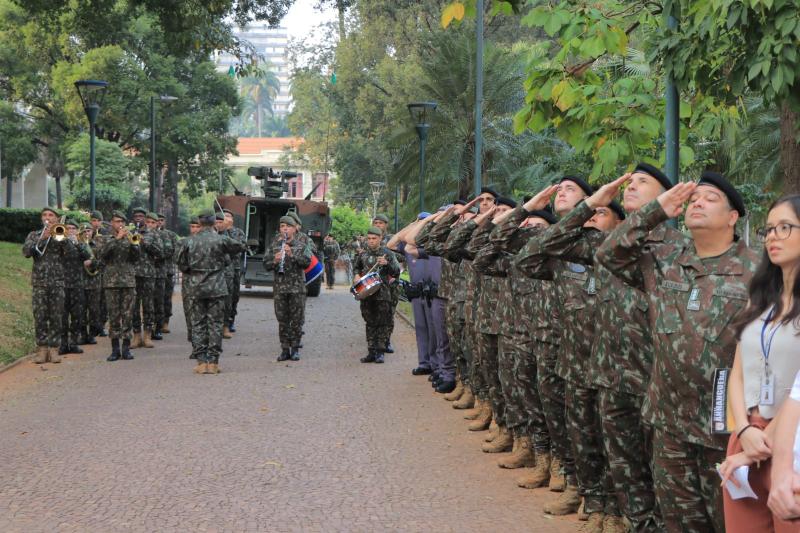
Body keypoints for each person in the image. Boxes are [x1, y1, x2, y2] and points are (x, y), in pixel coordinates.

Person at [596, 171, 759, 533]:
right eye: (694, 197)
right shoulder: (664, 259)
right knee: (679, 524)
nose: (697, 202)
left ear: (733, 217)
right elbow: (608, 253)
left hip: (728, 432)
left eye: (711, 198)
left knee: (731, 523)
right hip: (669, 425)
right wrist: (654, 211)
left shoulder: (758, 270)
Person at [718, 194, 800, 532]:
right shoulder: (760, 298)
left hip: (789, 443)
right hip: (746, 436)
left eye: (786, 227)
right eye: (769, 229)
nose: (773, 237)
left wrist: (763, 443)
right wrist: (744, 430)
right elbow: (738, 373)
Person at [176, 211, 245, 374]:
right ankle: (213, 362)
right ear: (215, 222)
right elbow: (240, 248)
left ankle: (201, 362)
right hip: (217, 288)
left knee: (198, 324)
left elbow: (180, 262)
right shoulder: (221, 240)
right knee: (215, 324)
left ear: (200, 222)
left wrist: (192, 271)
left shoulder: (188, 241)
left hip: (196, 287)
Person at [23, 208, 70, 364]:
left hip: (57, 282)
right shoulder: (33, 235)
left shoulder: (60, 234)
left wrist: (62, 237)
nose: (47, 218)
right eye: (44, 215)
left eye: (51, 215)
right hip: (39, 283)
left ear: (56, 219)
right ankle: (42, 349)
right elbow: (27, 252)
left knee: (57, 316)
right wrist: (43, 238)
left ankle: (54, 349)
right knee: (40, 316)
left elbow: (71, 254)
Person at [264, 215, 313, 361]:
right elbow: (266, 265)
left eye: (288, 226)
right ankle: (285, 348)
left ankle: (295, 348)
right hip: (280, 289)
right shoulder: (274, 246)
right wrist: (275, 260)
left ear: (294, 229)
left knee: (296, 320)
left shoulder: (302, 245)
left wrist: (292, 255)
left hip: (297, 289)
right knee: (282, 319)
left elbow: (306, 263)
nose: (285, 229)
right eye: (282, 226)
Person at [93, 211, 140, 361]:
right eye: (116, 221)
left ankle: (126, 348)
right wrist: (116, 240)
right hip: (111, 283)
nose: (119, 224)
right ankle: (114, 349)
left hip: (128, 282)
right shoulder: (104, 239)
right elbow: (101, 255)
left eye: (122, 222)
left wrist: (134, 244)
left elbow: (136, 258)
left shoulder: (130, 238)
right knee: (113, 316)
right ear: (111, 223)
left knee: (127, 315)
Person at [353, 226, 401, 364]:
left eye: (374, 238)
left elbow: (396, 271)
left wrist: (386, 264)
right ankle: (371, 351)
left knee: (382, 322)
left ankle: (380, 351)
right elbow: (356, 267)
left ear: (380, 238)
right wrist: (356, 275)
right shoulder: (363, 254)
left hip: (382, 294)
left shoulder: (387, 254)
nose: (371, 241)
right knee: (369, 322)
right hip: (366, 294)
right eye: (369, 238)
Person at [131, 207, 163, 349]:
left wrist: (144, 241)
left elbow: (160, 252)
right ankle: (136, 336)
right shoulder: (131, 233)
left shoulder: (154, 234)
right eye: (136, 216)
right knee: (134, 306)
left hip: (149, 274)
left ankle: (148, 335)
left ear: (145, 219)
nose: (138, 218)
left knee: (148, 305)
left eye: (141, 216)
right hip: (133, 274)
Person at [59, 219, 91, 355]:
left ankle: (73, 343)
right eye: (68, 228)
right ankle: (63, 344)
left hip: (77, 284)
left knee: (77, 316)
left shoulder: (81, 243)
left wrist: (76, 242)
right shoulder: (59, 242)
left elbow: (87, 256)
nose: (70, 230)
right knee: (62, 316)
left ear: (77, 231)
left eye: (73, 228)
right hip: (62, 283)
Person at [222, 209, 246, 332]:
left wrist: (228, 232)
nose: (226, 218)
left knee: (234, 295)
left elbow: (240, 247)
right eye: (223, 216)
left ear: (232, 219)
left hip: (234, 268)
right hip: (221, 269)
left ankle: (231, 319)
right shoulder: (218, 231)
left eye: (228, 216)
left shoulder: (238, 232)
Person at [180, 217, 201, 352]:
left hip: (205, 283)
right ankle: (194, 343)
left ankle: (201, 346)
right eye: (192, 227)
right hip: (189, 282)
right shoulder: (184, 242)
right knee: (189, 313)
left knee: (202, 315)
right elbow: (179, 260)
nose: (194, 230)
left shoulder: (209, 242)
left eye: (197, 227)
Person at [148, 212, 170, 341]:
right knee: (147, 302)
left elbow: (166, 252)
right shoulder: (141, 234)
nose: (150, 225)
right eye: (148, 222)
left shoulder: (164, 235)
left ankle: (158, 328)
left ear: (157, 224)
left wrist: (153, 252)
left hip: (159, 273)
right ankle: (147, 328)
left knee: (158, 301)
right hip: (145, 273)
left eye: (153, 222)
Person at [79, 223, 101, 345]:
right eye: (84, 231)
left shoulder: (97, 246)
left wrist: (92, 263)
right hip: (81, 282)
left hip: (94, 283)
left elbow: (102, 262)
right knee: (81, 310)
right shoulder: (78, 245)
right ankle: (82, 334)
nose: (87, 233)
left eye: (89, 230)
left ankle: (92, 334)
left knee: (94, 310)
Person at [157, 213, 180, 334]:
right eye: (158, 220)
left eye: (161, 220)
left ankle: (165, 322)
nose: (159, 222)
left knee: (166, 298)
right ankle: (155, 323)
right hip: (153, 272)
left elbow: (175, 251)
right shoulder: (147, 234)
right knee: (155, 299)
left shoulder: (171, 235)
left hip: (167, 271)